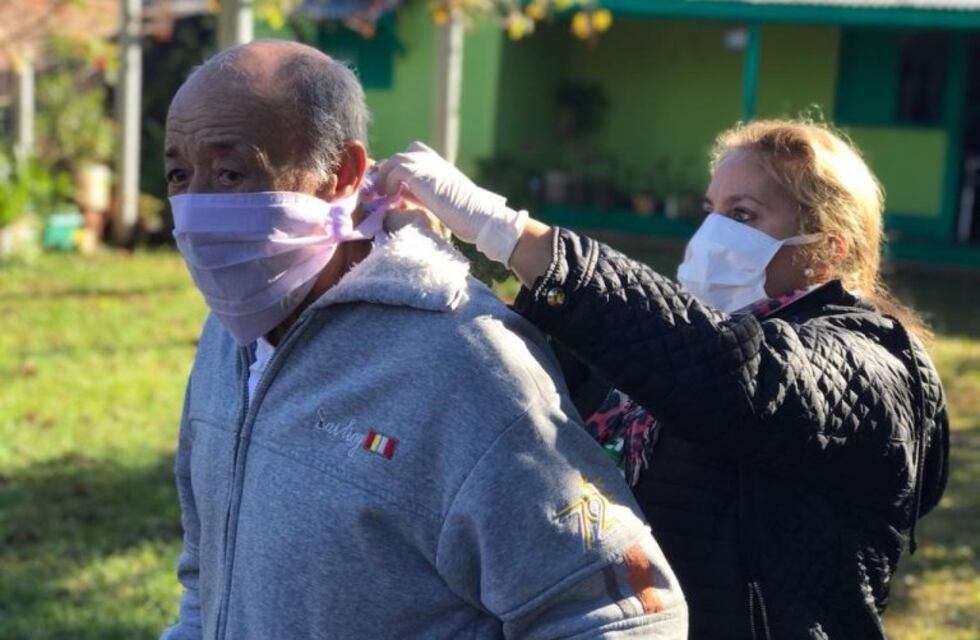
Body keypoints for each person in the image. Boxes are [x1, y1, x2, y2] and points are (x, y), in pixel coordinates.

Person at [159, 39, 687, 640]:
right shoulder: (230, 336)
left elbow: (627, 620)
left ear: (344, 175)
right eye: (180, 173)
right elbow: (208, 578)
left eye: (231, 172)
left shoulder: (463, 360)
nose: (196, 205)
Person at [377, 121, 951, 639]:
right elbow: (531, 369)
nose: (713, 232)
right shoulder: (672, 342)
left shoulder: (873, 362)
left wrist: (504, 230)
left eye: (744, 215)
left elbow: (733, 374)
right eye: (712, 209)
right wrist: (435, 261)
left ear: (827, 250)